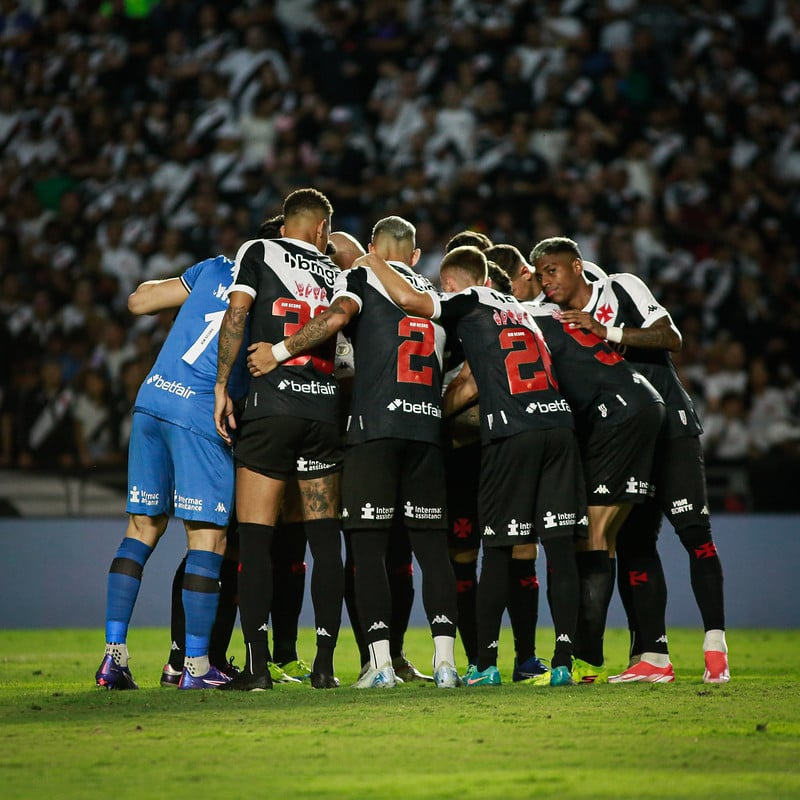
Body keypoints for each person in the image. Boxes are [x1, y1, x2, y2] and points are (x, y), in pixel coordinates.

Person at [247, 215, 460, 689]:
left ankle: (380, 664)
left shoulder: (360, 277)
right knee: (432, 552)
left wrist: (277, 352)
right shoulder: (435, 296)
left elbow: (337, 316)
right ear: (415, 255)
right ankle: (446, 663)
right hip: (427, 431)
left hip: (373, 430)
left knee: (368, 551)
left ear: (370, 248)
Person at [362, 244, 584, 688]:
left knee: (498, 550)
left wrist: (374, 263)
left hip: (513, 430)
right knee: (560, 551)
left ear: (450, 283)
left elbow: (409, 301)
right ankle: (563, 662)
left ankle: (485, 663)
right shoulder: (523, 310)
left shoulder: (469, 299)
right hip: (560, 427)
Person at [532, 236, 730, 684]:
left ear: (577, 266)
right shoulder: (549, 316)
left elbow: (671, 338)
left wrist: (607, 331)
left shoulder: (621, 287)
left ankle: (716, 646)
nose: (546, 281)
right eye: (540, 274)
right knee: (636, 543)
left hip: (671, 424)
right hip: (622, 437)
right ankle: (653, 656)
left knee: (695, 532)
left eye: (552, 270)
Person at [95, 253, 250, 691]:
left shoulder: (214, 267)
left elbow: (139, 301)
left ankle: (113, 657)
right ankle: (195, 667)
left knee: (141, 528)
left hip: (153, 398)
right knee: (209, 538)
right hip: (200, 411)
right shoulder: (270, 281)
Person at [214, 188, 345, 691]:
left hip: (272, 409)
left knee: (256, 540)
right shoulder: (339, 274)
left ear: (288, 224)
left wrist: (223, 386)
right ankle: (325, 666)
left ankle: (257, 667)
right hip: (323, 413)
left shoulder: (260, 249)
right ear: (322, 229)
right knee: (325, 544)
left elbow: (237, 316)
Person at [329, 229, 430, 683]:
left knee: (395, 556)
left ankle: (394, 655)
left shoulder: (378, 296)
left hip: (382, 434)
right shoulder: (341, 304)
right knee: (365, 553)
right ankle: (371, 656)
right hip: (355, 440)